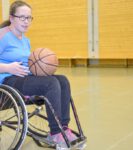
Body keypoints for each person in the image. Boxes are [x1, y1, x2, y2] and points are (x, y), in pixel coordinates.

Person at [0, 0, 77, 147]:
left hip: (24, 78)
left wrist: (41, 67)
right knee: (51, 83)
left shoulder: (25, 40)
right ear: (11, 18)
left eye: (29, 17)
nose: (26, 21)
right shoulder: (3, 35)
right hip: (7, 82)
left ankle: (63, 128)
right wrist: (7, 68)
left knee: (62, 80)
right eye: (22, 17)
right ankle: (55, 133)